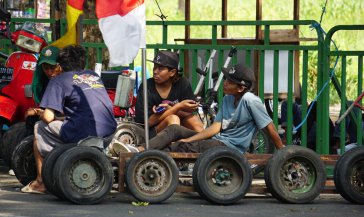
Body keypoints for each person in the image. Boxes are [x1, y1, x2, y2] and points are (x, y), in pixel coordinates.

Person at [112, 64, 284, 154]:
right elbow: (215, 128)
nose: (224, 83)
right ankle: (138, 150)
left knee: (181, 146)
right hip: (218, 139)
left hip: (230, 148)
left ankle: (145, 157)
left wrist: (282, 152)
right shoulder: (227, 99)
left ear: (240, 88)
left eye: (229, 81)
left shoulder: (250, 100)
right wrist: (191, 138)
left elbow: (268, 127)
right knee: (174, 130)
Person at [21, 45, 117, 194]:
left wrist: (39, 113)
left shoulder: (58, 81)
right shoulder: (93, 75)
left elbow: (47, 117)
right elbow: (83, 110)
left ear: (60, 65)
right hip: (109, 132)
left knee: (39, 127)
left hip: (83, 134)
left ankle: (41, 182)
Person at [134, 50, 203, 139]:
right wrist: (177, 107)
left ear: (172, 72)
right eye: (155, 67)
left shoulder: (182, 83)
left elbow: (189, 113)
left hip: (180, 127)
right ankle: (173, 149)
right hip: (152, 132)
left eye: (161, 68)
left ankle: (202, 145)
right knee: (173, 118)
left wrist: (170, 108)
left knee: (194, 120)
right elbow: (148, 122)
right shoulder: (146, 86)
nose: (155, 71)